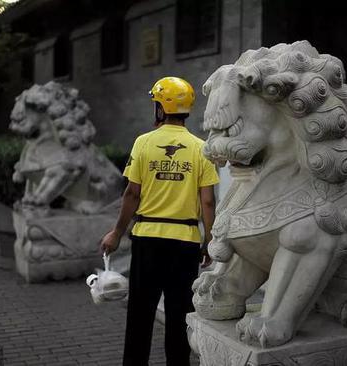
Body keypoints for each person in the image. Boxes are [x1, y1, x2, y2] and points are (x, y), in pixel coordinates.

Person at [99, 76, 219, 366]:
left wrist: (116, 233)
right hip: (185, 242)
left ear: (161, 108)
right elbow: (208, 201)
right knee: (179, 317)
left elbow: (131, 193)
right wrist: (208, 241)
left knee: (140, 314)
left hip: (147, 239)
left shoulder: (144, 143)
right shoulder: (200, 148)